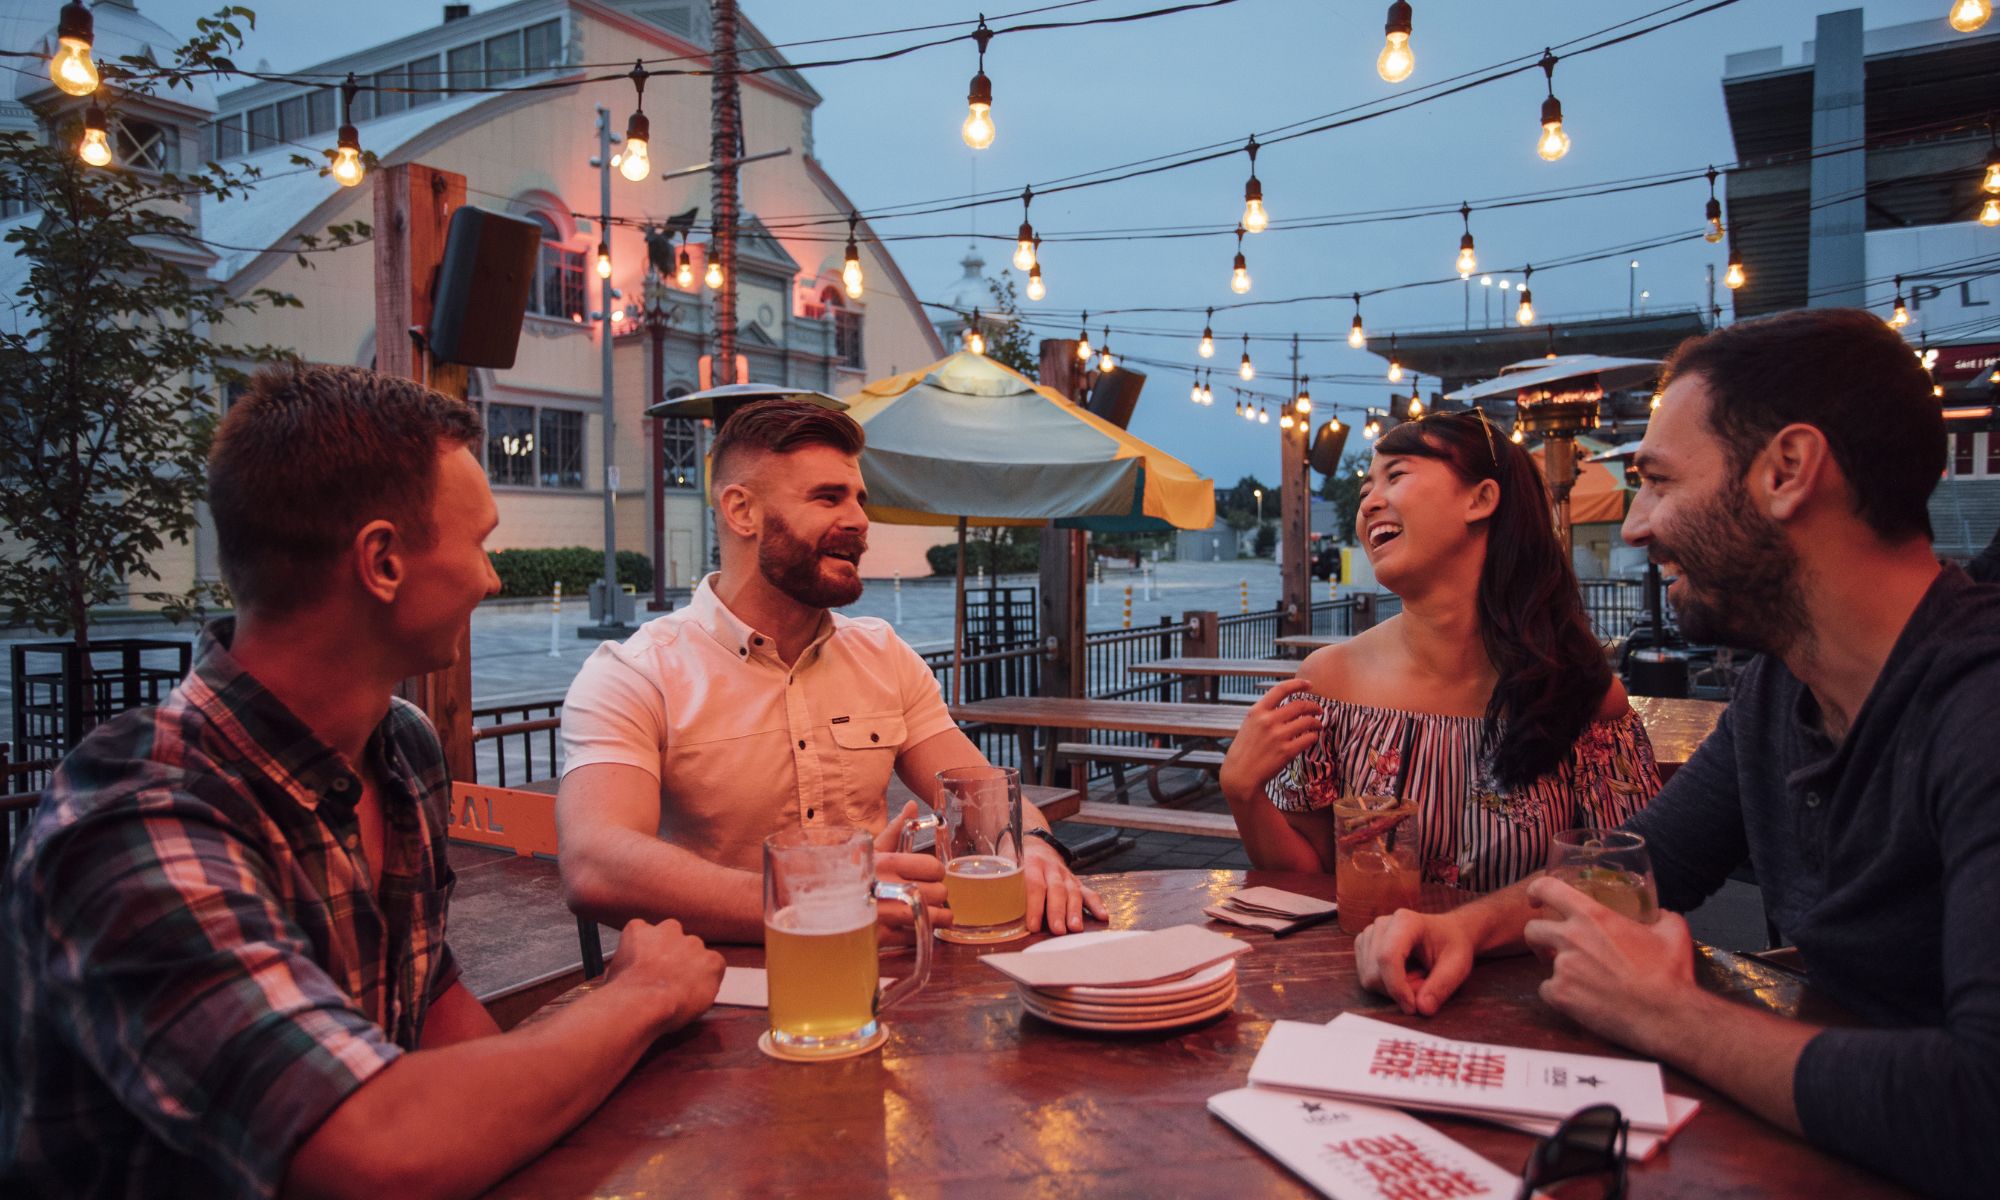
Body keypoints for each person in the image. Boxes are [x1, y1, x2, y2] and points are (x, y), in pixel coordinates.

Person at [0, 366, 725, 1200]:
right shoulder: (139, 818)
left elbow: (430, 1000)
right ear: (382, 561)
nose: (491, 579)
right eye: (480, 544)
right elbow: (368, 1148)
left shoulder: (400, 745)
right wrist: (637, 995)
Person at [1353, 308, 2000, 1198]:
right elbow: (1644, 861)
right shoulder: (1780, 689)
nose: (1635, 526)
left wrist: (1672, 1016)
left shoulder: (1979, 705)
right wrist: (1463, 927)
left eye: (1658, 482)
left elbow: (1982, 1112)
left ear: (1788, 471)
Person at [557, 398, 1104, 942]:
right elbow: (594, 865)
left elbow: (983, 799)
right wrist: (818, 898)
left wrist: (1035, 845)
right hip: (719, 978)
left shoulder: (882, 654)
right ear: (742, 511)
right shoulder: (636, 674)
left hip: (885, 969)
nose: (860, 520)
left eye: (860, 499)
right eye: (828, 497)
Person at [1221, 409, 1660, 891]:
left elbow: (1625, 881)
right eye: (1365, 491)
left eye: (1396, 476)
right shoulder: (1329, 682)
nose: (1369, 503)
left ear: (1481, 498)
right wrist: (1242, 792)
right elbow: (1314, 880)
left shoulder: (1580, 696)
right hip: (1369, 942)